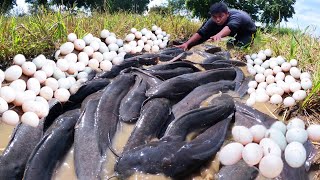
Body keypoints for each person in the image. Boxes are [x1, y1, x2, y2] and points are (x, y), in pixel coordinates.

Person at [176, 2, 256, 50]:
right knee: (206, 33)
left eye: (220, 16)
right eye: (214, 17)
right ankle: (186, 46)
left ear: (227, 14)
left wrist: (218, 35)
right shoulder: (213, 19)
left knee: (238, 47)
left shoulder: (237, 16)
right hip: (229, 29)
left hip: (247, 31)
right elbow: (201, 32)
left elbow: (230, 27)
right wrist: (187, 43)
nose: (217, 19)